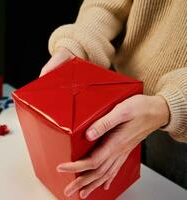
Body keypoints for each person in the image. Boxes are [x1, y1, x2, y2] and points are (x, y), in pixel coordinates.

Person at [40, 0, 187, 199]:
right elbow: (108, 5)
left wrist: (170, 105)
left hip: (178, 130)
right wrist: (76, 47)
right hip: (122, 93)